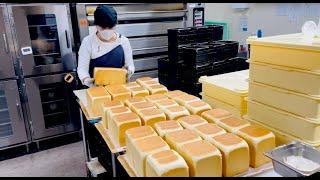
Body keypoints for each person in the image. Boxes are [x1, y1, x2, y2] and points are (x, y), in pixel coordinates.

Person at [77, 5, 135, 87]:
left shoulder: (123, 41)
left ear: (116, 24)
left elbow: (130, 64)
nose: (107, 31)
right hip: (96, 89)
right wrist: (86, 80)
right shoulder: (88, 42)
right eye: (103, 28)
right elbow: (82, 69)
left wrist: (129, 71)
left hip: (119, 88)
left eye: (111, 27)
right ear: (96, 25)